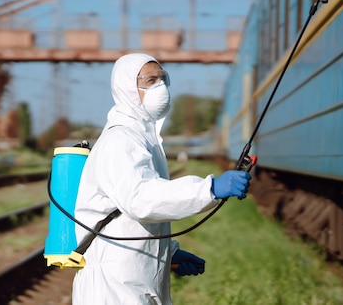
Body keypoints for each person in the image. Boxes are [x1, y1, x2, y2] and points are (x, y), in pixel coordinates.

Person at [72, 53, 251, 305]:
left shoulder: (145, 139)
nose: (160, 87)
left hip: (134, 278)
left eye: (163, 79)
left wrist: (169, 254)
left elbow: (129, 221)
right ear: (127, 89)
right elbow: (141, 199)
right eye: (150, 80)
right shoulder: (120, 140)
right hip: (113, 287)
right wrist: (208, 189)